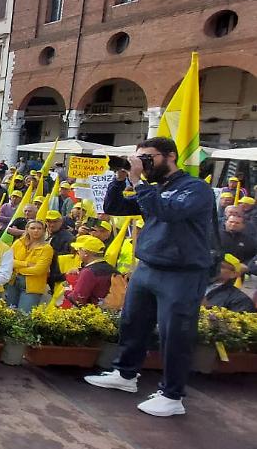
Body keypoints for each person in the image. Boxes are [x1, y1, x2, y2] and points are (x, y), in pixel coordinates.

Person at [85, 137, 217, 417]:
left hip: (181, 273)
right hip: (148, 267)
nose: (142, 164)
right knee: (132, 323)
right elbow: (115, 207)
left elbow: (168, 211)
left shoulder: (195, 188)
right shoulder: (156, 189)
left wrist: (138, 182)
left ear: (170, 156)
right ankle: (125, 374)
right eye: (138, 158)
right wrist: (121, 178)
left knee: (175, 334)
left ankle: (172, 395)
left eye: (147, 158)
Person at [7, 219, 53, 313]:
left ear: (44, 231)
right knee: (9, 313)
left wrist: (17, 268)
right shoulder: (18, 242)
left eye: (39, 228)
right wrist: (26, 264)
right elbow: (8, 261)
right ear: (27, 229)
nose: (36, 230)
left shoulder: (47, 248)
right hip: (14, 282)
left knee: (23, 317)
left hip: (32, 287)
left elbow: (38, 270)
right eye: (33, 228)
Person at [64, 235, 114, 307]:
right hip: (109, 313)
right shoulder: (111, 268)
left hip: (93, 313)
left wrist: (67, 289)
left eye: (78, 249)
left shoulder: (88, 272)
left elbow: (77, 299)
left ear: (85, 252)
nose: (77, 252)